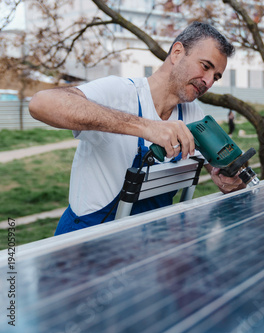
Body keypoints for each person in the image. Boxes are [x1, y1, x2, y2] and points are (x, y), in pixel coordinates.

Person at [29, 22, 245, 235]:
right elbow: (42, 103)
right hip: (88, 240)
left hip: (151, 244)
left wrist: (226, 179)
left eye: (216, 77)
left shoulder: (193, 114)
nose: (208, 81)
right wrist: (146, 127)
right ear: (177, 52)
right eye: (205, 66)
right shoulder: (120, 92)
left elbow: (222, 174)